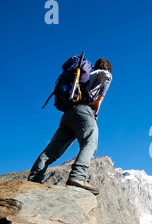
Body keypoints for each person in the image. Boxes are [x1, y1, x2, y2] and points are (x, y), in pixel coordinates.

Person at [27, 58, 113, 195]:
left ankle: (34, 179)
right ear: (108, 68)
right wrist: (99, 101)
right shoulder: (103, 73)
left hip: (68, 114)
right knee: (90, 141)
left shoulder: (85, 76)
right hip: (83, 112)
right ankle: (78, 177)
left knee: (52, 150)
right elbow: (107, 77)